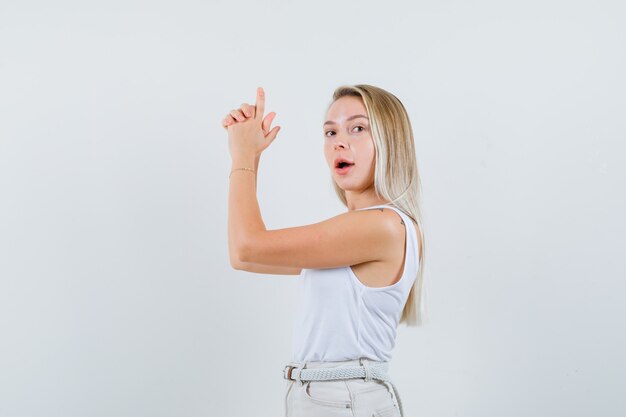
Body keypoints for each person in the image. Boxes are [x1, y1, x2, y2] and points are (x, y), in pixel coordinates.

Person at [223, 84, 426, 417]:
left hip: (341, 400)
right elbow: (243, 257)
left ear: (391, 141)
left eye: (358, 128)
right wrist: (253, 156)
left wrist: (242, 154)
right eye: (330, 132)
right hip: (331, 398)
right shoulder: (365, 232)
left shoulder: (382, 226)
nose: (339, 142)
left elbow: (248, 245)